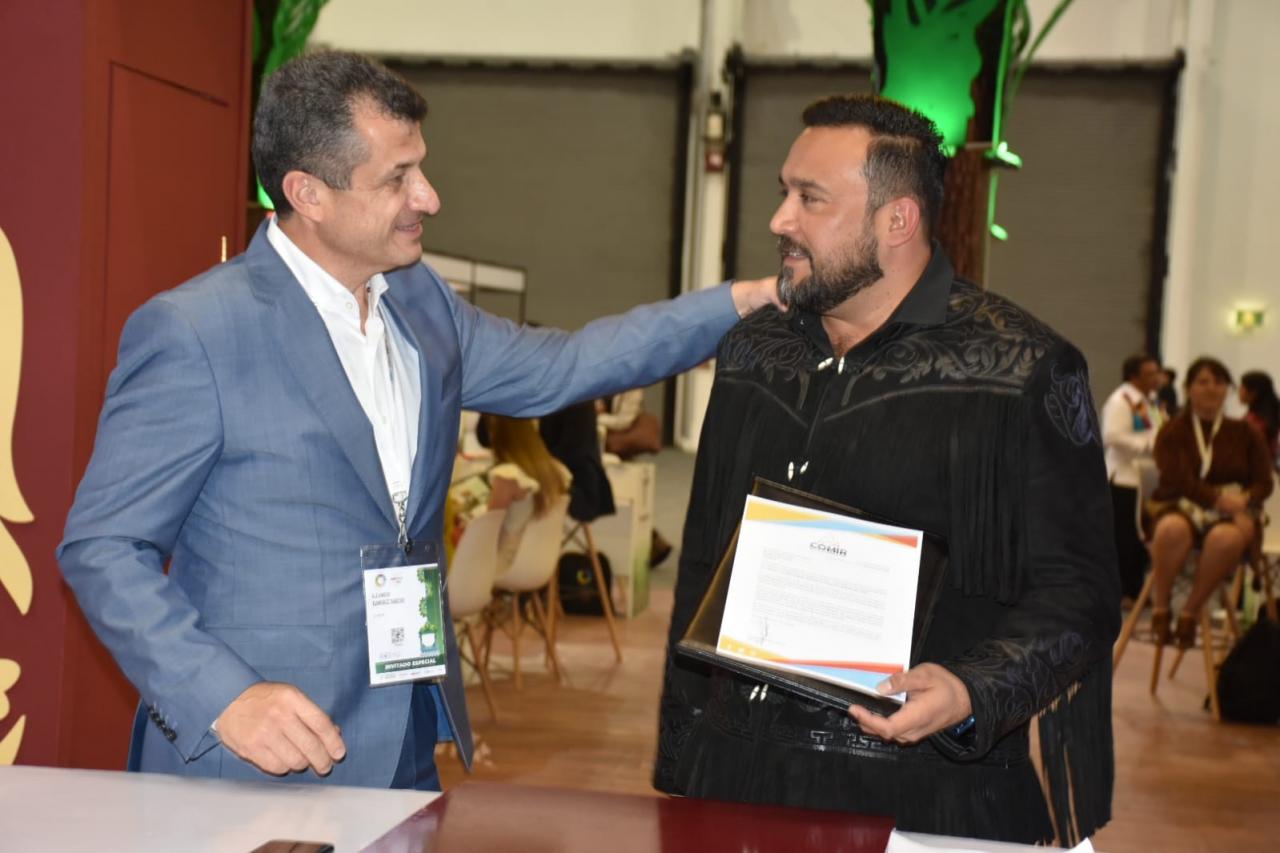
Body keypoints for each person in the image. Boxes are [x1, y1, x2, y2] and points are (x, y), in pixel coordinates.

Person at [57, 51, 780, 791]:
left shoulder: (421, 302)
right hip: (256, 760)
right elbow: (104, 546)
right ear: (308, 193)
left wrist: (736, 304)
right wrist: (225, 697)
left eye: (421, 169)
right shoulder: (198, 331)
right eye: (397, 178)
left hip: (405, 737)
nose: (428, 197)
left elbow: (566, 366)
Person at [654, 95, 1119, 844]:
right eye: (783, 192)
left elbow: (1082, 595)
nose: (779, 220)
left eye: (810, 199)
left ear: (897, 220)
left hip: (923, 798)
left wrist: (972, 690)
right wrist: (681, 769)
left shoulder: (1019, 370)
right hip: (735, 782)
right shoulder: (754, 353)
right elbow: (706, 561)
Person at [1147, 357, 1274, 648]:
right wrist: (1217, 500)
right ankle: (1161, 607)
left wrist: (1243, 499)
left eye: (1219, 382)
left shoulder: (1246, 432)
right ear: (1188, 388)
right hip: (1182, 504)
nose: (1211, 388)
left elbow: (1264, 482)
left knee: (1225, 540)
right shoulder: (1172, 431)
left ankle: (1189, 613)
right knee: (1170, 530)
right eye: (1203, 381)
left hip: (1234, 511)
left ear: (1228, 389)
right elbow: (1177, 478)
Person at [1100, 353, 1164, 601]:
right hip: (1123, 477)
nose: (1156, 378)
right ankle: (1123, 589)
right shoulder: (1121, 400)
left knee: (1139, 536)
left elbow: (1157, 429)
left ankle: (1136, 589)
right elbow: (1112, 436)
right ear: (1134, 376)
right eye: (1150, 374)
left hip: (1145, 478)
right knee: (1124, 536)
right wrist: (1146, 445)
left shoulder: (1150, 401)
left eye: (1156, 373)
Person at [1239, 370, 1280, 459]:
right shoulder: (1269, 417)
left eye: (1242, 387)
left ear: (1254, 392)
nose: (1239, 391)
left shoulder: (1254, 421)